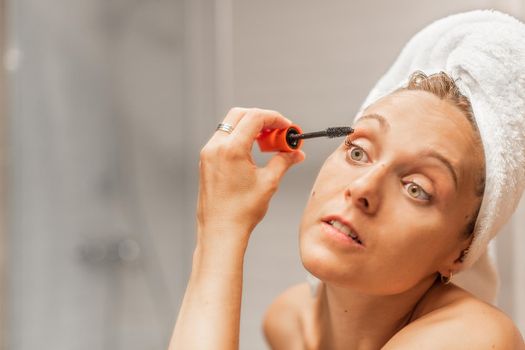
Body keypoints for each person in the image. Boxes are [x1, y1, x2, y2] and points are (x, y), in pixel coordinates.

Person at [170, 10, 525, 350]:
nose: (362, 189)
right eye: (358, 152)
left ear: (460, 252)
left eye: (416, 188)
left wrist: (221, 227)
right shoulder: (286, 322)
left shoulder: (475, 338)